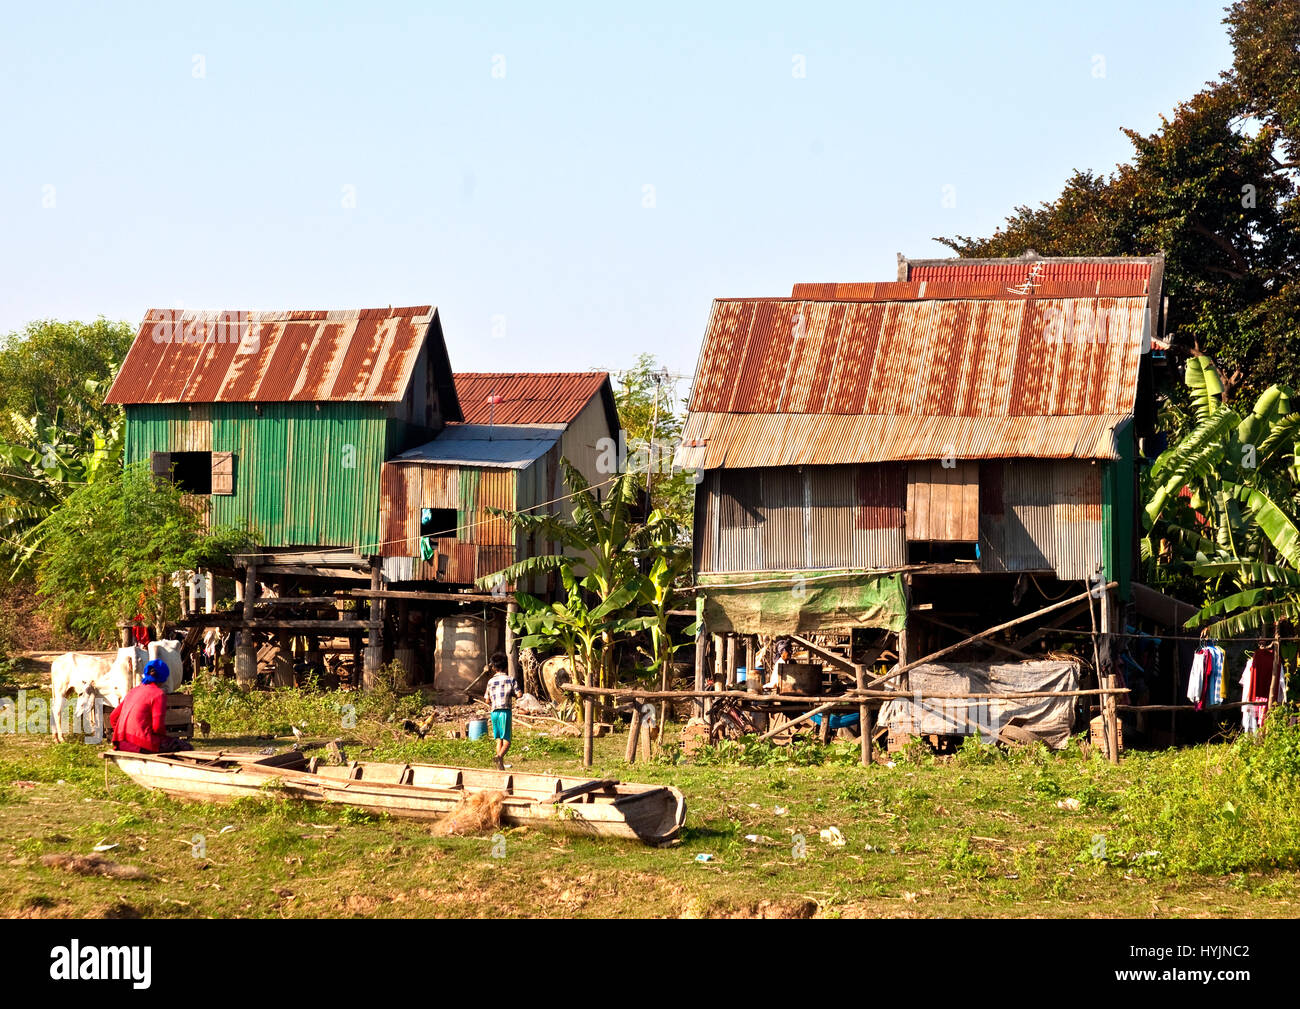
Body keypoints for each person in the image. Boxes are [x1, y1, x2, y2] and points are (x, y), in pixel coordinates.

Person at [109, 659, 193, 754]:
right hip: (143, 745)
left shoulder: (133, 691)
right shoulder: (158, 694)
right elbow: (157, 727)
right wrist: (164, 740)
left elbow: (113, 717)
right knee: (185, 746)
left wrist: (124, 735)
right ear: (164, 678)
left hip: (122, 744)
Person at [483, 652, 520, 770]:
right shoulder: (510, 679)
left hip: (494, 712)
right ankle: (499, 756)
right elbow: (519, 694)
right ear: (506, 666)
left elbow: (487, 700)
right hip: (505, 712)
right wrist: (512, 695)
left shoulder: (490, 682)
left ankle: (500, 766)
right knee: (507, 741)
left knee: (498, 739)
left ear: (493, 667)